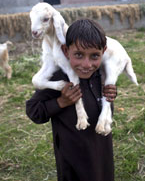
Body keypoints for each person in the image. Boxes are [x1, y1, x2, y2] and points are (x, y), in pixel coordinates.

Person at [26, 19, 117, 181]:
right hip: (72, 158)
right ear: (66, 51)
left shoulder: (100, 76)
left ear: (103, 51)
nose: (86, 64)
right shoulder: (59, 78)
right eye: (79, 55)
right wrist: (61, 102)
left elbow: (104, 111)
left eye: (94, 56)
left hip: (102, 152)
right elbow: (33, 110)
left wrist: (109, 98)